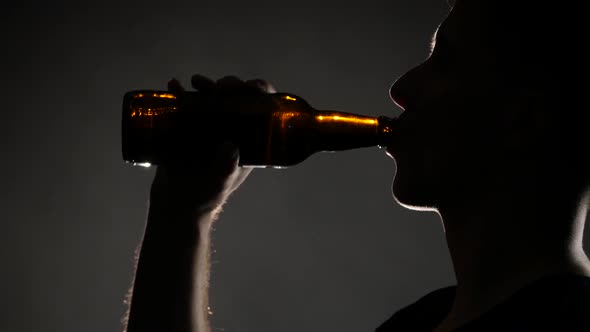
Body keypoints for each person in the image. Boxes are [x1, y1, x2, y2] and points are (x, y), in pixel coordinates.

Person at [123, 0, 590, 331]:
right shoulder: (416, 323)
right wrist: (181, 212)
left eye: (444, 62)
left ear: (524, 117)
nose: (401, 89)